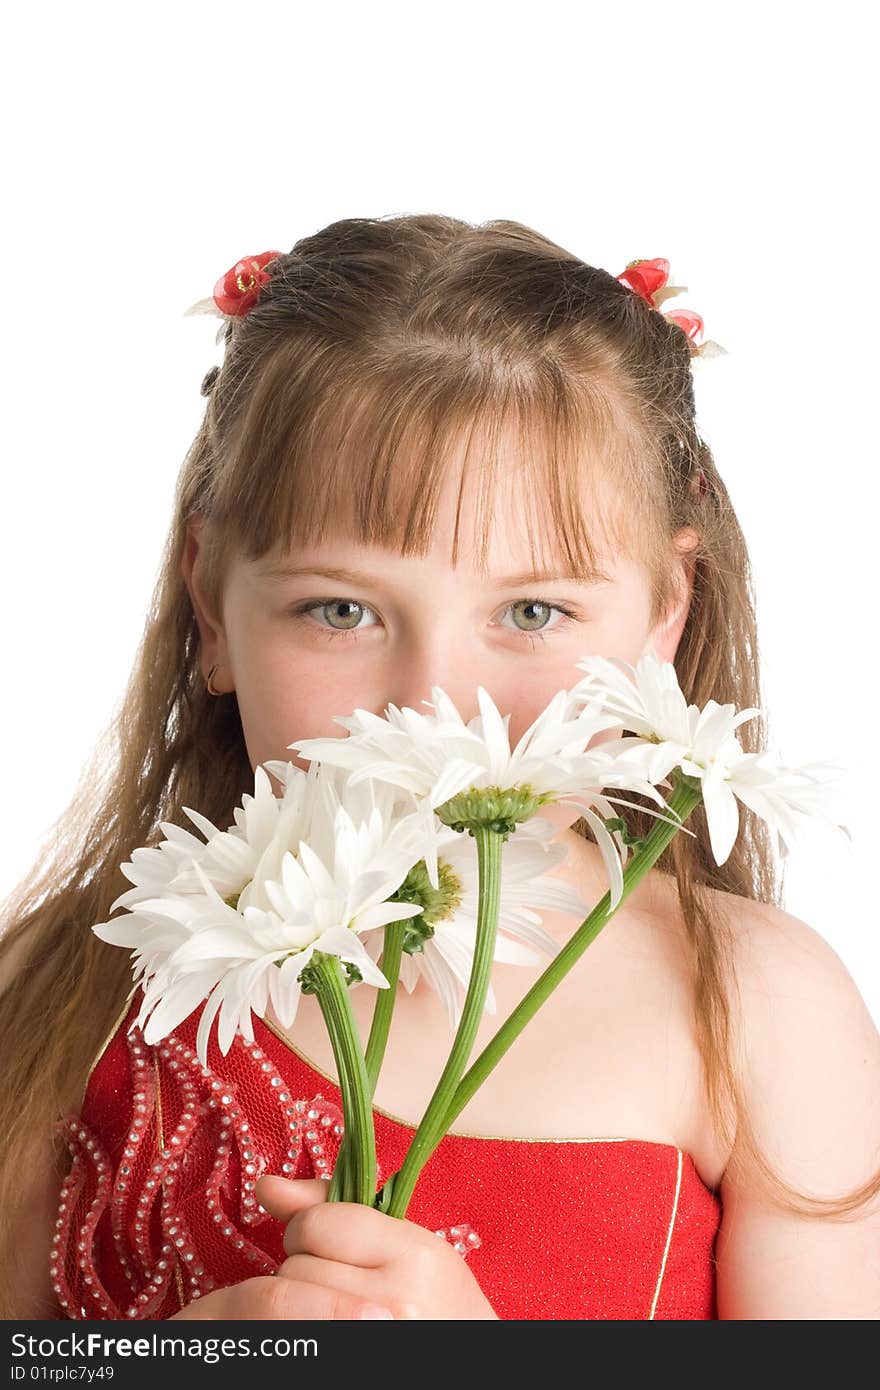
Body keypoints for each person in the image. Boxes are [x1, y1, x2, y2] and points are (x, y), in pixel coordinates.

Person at [1, 216, 878, 1322]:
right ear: (210, 607)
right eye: (340, 609)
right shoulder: (66, 988)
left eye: (530, 610)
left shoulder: (754, 1011)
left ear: (666, 612)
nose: (430, 707)